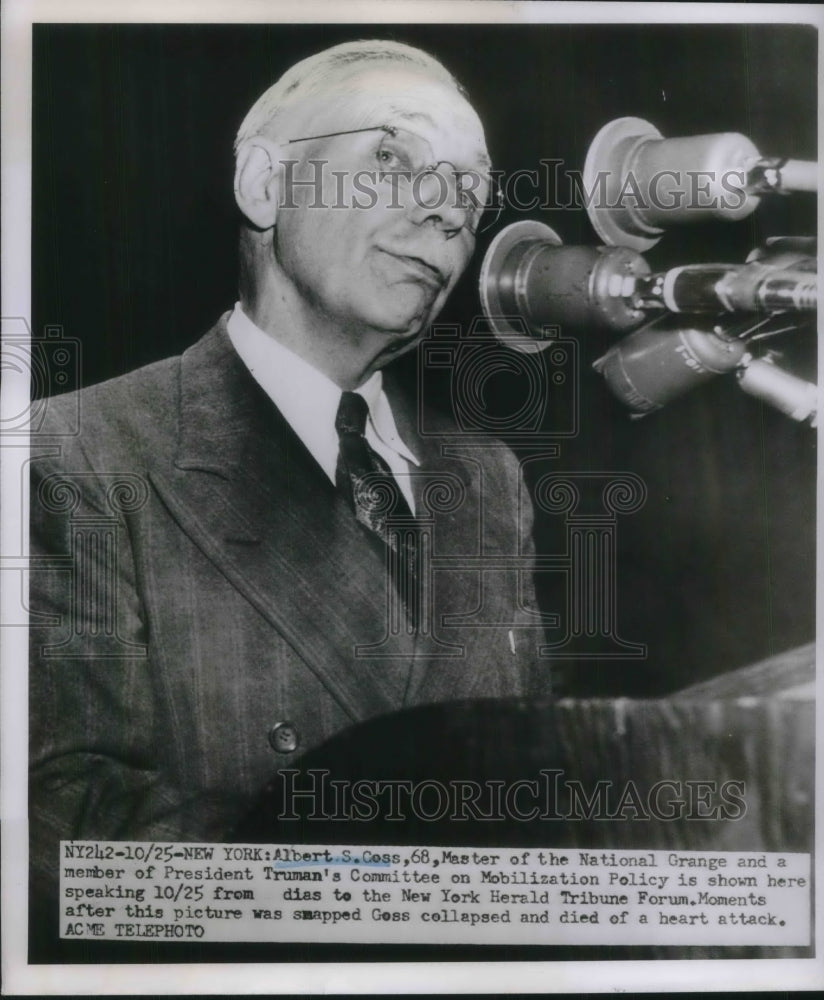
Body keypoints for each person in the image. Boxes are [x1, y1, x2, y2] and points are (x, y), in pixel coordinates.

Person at [29, 40, 547, 912]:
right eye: (392, 155)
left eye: (471, 192)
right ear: (266, 184)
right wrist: (394, 894)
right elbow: (62, 829)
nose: (448, 215)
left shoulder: (489, 480)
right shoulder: (76, 453)